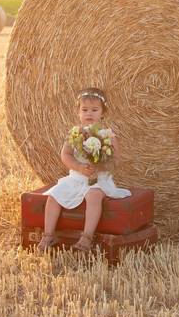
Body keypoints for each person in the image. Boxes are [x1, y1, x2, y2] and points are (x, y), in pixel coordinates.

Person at [36, 87, 130, 252]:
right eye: (84, 110)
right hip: (76, 178)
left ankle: (86, 237)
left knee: (94, 196)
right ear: (78, 113)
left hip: (99, 179)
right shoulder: (75, 133)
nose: (89, 114)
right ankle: (48, 234)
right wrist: (79, 166)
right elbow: (65, 155)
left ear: (103, 113)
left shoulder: (108, 135)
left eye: (94, 110)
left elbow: (116, 159)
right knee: (54, 196)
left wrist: (100, 166)